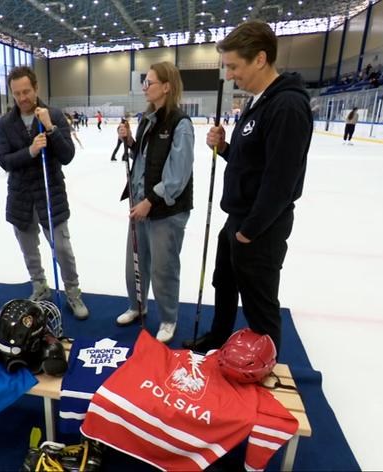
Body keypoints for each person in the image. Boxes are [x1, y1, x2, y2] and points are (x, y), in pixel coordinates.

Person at [184, 20, 312, 356]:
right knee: (224, 284)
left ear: (260, 58)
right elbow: (252, 165)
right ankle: (218, 339)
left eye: (233, 66)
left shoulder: (287, 106)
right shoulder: (258, 101)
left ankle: (263, 366)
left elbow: (280, 180)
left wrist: (250, 231)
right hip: (238, 219)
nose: (229, 75)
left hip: (260, 226)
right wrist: (225, 148)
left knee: (259, 303)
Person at [0, 66, 90, 319]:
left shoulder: (54, 115)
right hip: (21, 197)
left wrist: (51, 128)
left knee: (62, 248)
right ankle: (40, 286)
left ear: (36, 88)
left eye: (26, 91)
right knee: (29, 249)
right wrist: (30, 152)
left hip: (50, 194)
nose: (22, 97)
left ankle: (73, 291)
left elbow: (67, 155)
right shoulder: (6, 123)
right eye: (17, 93)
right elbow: (4, 160)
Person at [115, 61, 194, 344]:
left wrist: (152, 199)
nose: (145, 87)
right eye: (144, 82)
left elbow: (178, 173)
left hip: (166, 210)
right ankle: (137, 306)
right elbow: (144, 161)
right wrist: (131, 142)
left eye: (150, 82)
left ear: (167, 87)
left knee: (164, 268)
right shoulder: (148, 118)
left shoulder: (180, 123)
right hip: (141, 205)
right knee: (135, 262)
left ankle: (169, 318)